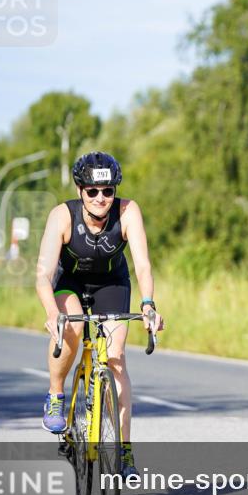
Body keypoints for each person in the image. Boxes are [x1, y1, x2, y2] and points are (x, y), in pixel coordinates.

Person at [34, 152, 164, 478]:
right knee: (72, 329)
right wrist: (52, 313)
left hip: (111, 283)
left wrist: (148, 304)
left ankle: (124, 450)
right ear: (80, 190)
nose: (100, 198)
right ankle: (55, 394)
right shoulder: (62, 216)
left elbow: (143, 265)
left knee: (116, 357)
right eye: (92, 191)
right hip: (70, 283)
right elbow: (42, 274)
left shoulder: (128, 212)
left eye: (108, 191)